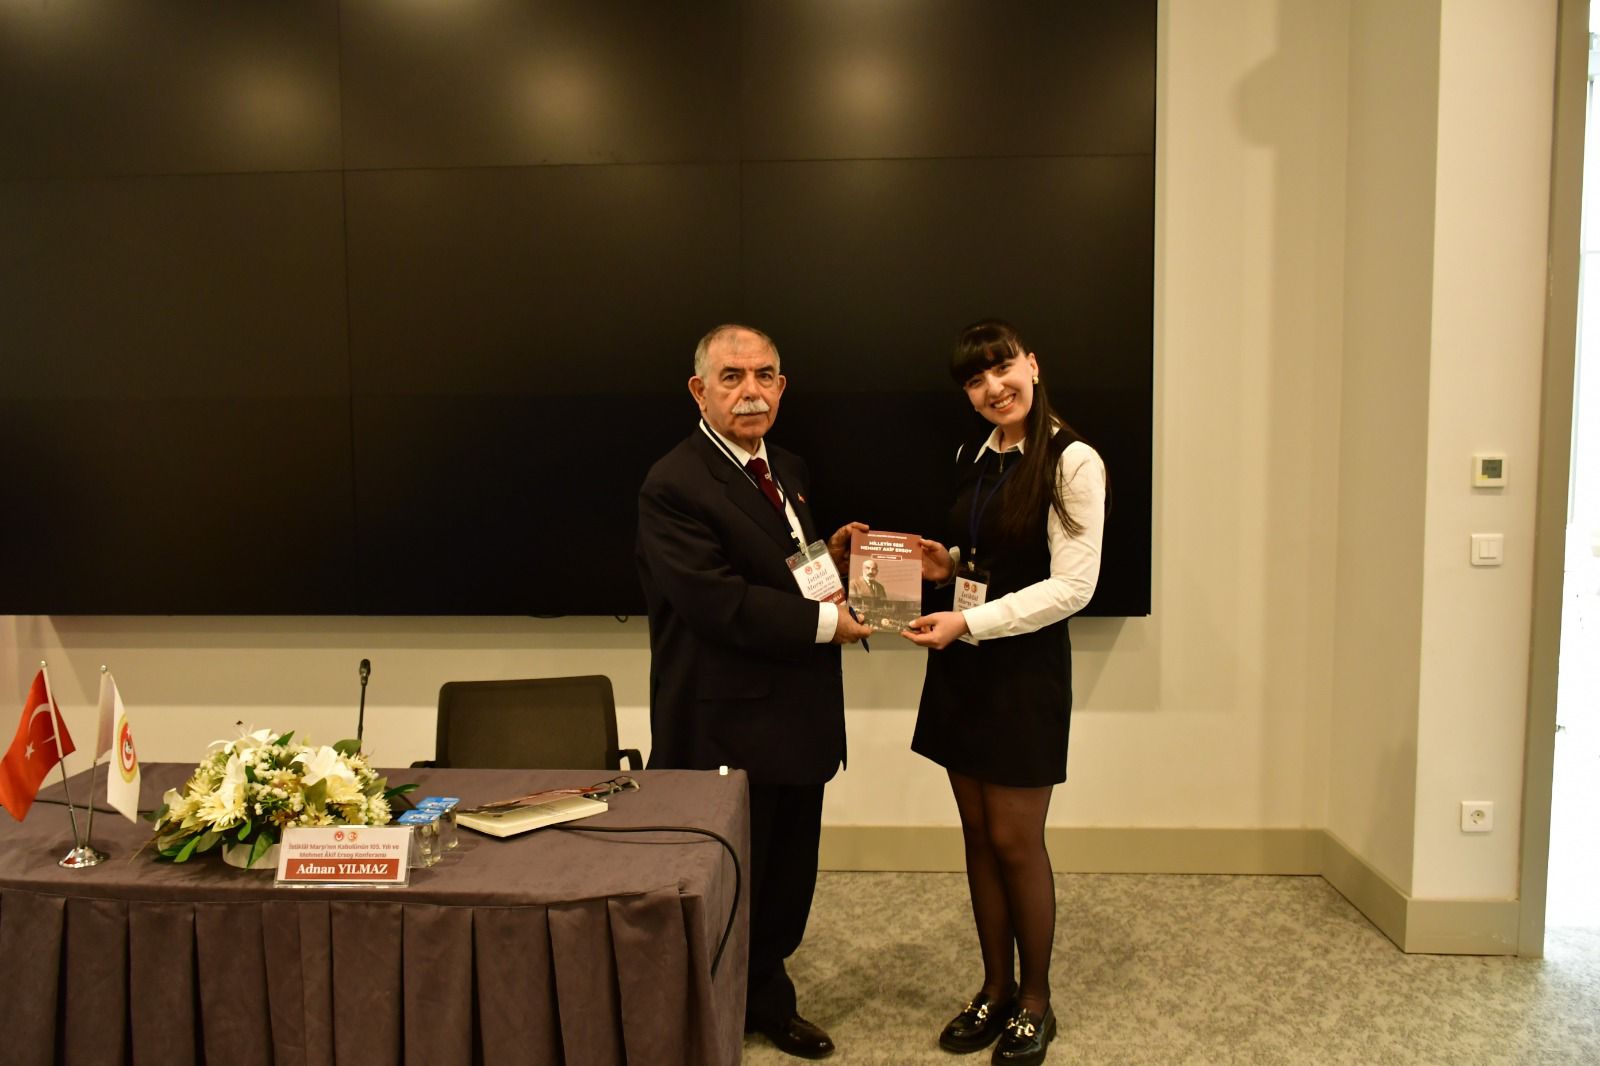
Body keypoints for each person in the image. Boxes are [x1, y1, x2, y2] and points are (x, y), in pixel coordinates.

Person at [636, 323, 871, 1061]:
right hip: (727, 724)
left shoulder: (786, 467)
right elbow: (718, 603)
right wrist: (830, 623)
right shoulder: (673, 484)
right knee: (731, 878)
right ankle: (708, 1010)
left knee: (786, 875)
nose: (751, 392)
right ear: (698, 390)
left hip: (798, 716)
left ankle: (766, 997)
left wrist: (832, 563)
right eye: (732, 377)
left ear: (782, 386)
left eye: (765, 376)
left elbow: (781, 567)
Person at [903, 319, 1106, 1066]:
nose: (993, 388)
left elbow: (1072, 586)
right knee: (979, 837)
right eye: (975, 380)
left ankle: (1036, 1002)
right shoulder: (975, 454)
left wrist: (969, 621)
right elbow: (992, 554)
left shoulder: (1072, 460)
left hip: (1022, 672)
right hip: (965, 667)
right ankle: (994, 988)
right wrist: (947, 563)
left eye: (1002, 369)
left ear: (1033, 365)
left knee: (1017, 842)